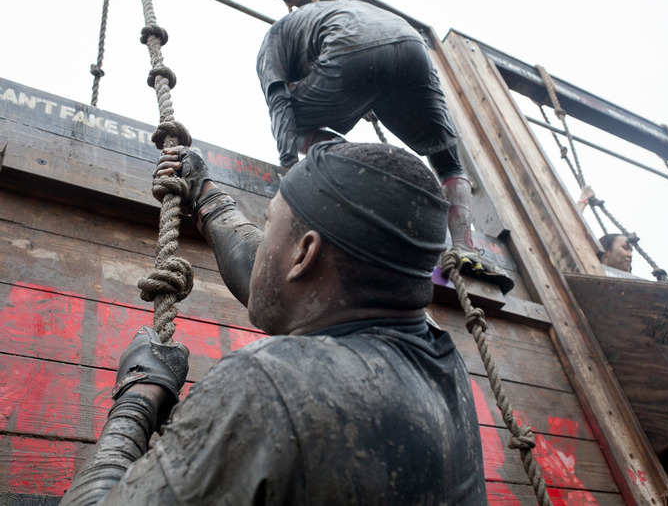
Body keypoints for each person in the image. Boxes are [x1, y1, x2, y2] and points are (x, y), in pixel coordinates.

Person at [60, 141, 487, 505]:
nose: (263, 244)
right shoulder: (439, 363)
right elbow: (284, 283)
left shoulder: (268, 384)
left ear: (304, 254)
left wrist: (138, 397)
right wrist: (207, 197)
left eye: (269, 225)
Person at [256, 0, 479, 259]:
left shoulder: (270, 46)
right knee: (449, 164)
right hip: (413, 48)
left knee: (291, 125)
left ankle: (350, 166)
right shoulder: (327, 13)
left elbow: (280, 106)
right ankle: (465, 249)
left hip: (350, 47)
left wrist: (289, 172)